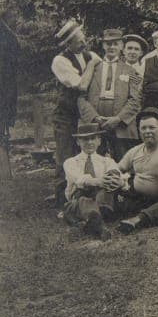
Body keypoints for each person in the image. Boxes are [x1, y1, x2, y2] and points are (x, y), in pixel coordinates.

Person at [50, 19, 100, 202]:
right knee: (65, 154)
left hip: (86, 113)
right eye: (79, 41)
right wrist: (92, 65)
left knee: (89, 151)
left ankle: (86, 194)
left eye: (84, 38)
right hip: (66, 114)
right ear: (68, 43)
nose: (84, 43)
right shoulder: (60, 61)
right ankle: (62, 197)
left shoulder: (89, 55)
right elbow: (81, 85)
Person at [78, 28, 142, 160]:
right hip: (96, 122)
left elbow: (135, 100)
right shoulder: (92, 68)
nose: (112, 47)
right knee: (94, 161)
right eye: (108, 43)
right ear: (103, 45)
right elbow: (81, 98)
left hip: (121, 124)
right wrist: (94, 117)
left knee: (124, 163)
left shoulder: (131, 71)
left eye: (115, 43)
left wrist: (118, 119)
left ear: (121, 46)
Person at [111, 108, 158, 218]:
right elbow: (117, 168)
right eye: (143, 128)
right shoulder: (136, 150)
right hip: (135, 196)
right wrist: (117, 180)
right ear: (139, 131)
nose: (147, 131)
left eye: (152, 127)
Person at [61, 122, 119, 236]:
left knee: (106, 189)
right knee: (83, 199)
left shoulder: (107, 161)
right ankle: (98, 224)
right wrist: (98, 181)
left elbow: (115, 175)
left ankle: (92, 219)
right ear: (78, 142)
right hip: (79, 197)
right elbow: (79, 179)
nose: (89, 142)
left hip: (101, 199)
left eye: (93, 138)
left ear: (99, 141)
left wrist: (113, 179)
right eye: (85, 139)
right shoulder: (71, 162)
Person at [0, 11, 21, 158]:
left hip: (7, 78)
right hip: (3, 81)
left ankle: (4, 138)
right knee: (2, 108)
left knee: (5, 109)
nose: (16, 20)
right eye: (13, 16)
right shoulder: (0, 31)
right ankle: (1, 141)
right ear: (7, 17)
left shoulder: (5, 31)